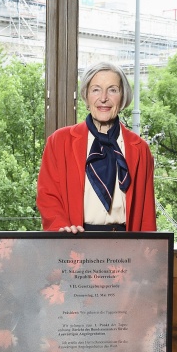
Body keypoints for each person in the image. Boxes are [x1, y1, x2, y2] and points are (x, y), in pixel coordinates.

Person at [36, 61, 157, 233]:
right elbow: (48, 196)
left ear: (123, 97)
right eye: (96, 89)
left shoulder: (140, 149)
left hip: (126, 246)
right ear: (86, 95)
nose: (103, 98)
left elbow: (147, 213)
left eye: (113, 90)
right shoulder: (59, 141)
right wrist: (62, 232)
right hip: (75, 241)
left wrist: (148, 254)